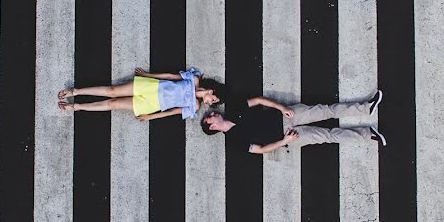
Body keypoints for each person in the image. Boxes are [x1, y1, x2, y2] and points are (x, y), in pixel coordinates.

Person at [200, 90, 385, 153]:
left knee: (327, 110)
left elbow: (258, 100)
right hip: (288, 136)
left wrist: (282, 108)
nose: (213, 113)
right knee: (328, 136)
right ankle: (368, 135)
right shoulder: (234, 141)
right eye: (210, 117)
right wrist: (285, 141)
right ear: (213, 126)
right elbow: (261, 149)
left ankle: (367, 107)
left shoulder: (233, 108)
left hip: (287, 115)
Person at [58, 67, 226, 122]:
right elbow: (170, 76)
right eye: (213, 99)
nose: (210, 103)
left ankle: (77, 106)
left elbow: (171, 112)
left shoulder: (194, 106)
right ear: (211, 91)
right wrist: (147, 75)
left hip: (152, 105)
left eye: (213, 103)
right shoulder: (194, 80)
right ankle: (75, 91)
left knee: (113, 104)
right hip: (152, 87)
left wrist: (149, 117)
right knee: (112, 91)